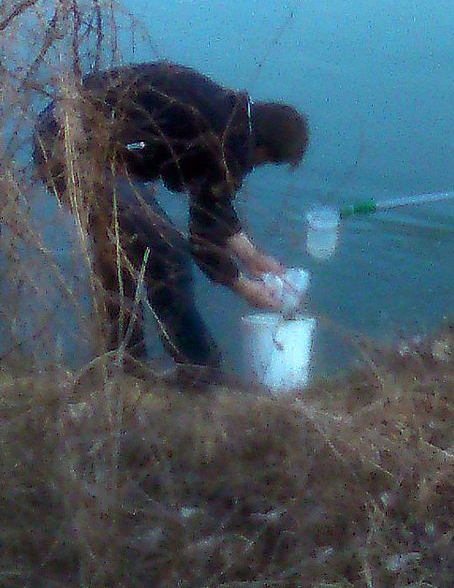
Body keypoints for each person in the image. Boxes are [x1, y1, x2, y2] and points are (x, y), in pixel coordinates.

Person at [33, 60, 309, 387]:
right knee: (167, 252)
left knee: (124, 248)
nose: (258, 165)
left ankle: (123, 366)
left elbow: (211, 204)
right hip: (67, 146)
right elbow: (202, 236)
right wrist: (244, 287)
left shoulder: (226, 117)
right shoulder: (224, 135)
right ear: (262, 148)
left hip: (77, 140)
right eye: (268, 161)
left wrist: (252, 258)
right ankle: (199, 373)